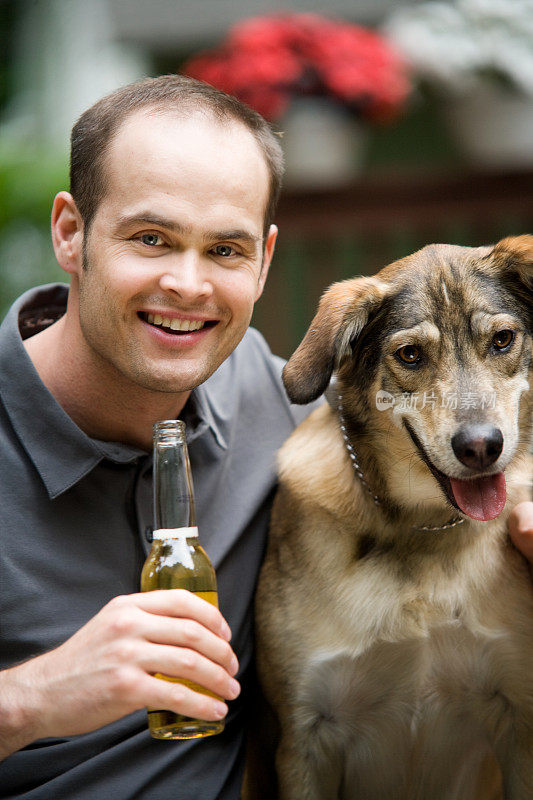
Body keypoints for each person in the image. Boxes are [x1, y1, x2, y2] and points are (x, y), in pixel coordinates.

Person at [0, 74, 531, 800]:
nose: (187, 285)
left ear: (263, 259)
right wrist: (28, 700)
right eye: (151, 238)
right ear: (71, 231)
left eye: (224, 249)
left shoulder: (277, 397)